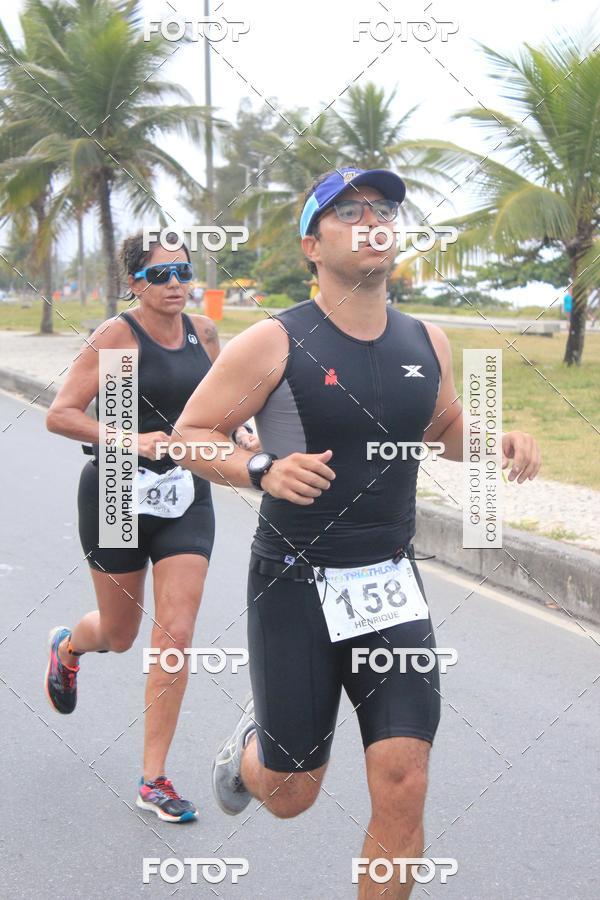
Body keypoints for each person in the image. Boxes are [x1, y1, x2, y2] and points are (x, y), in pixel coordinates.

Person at [172, 167, 541, 894]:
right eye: (349, 211)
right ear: (313, 244)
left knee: (404, 778)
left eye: (384, 209)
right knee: (291, 792)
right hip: (295, 583)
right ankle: (252, 752)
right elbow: (191, 434)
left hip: (389, 584)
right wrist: (261, 469)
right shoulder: (274, 342)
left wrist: (496, 438)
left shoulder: (426, 339)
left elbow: (442, 428)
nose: (372, 219)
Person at [44, 232, 258, 823]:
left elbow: (225, 404)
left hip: (186, 492)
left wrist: (241, 434)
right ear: (134, 283)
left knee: (175, 635)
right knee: (119, 634)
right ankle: (68, 646)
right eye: (160, 276)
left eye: (183, 273)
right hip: (115, 488)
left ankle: (154, 778)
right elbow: (60, 416)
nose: (174, 285)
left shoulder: (204, 334)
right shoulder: (118, 336)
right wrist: (127, 438)